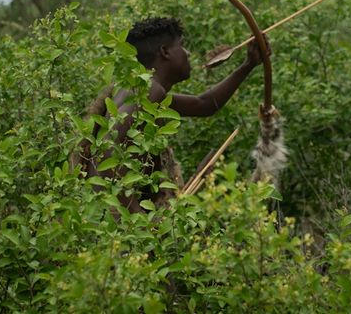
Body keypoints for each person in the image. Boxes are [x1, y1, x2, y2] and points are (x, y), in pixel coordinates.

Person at [72, 17, 267, 212]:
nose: (188, 53)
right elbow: (107, 159)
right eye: (182, 46)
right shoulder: (149, 91)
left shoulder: (143, 89)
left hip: (102, 212)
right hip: (112, 219)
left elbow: (205, 104)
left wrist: (249, 64)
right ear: (165, 51)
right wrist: (141, 226)